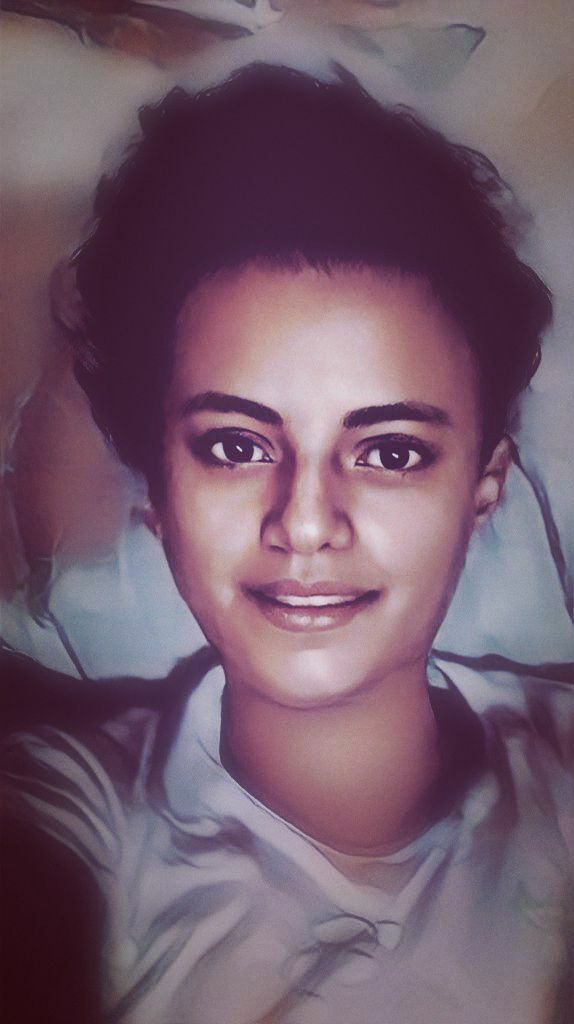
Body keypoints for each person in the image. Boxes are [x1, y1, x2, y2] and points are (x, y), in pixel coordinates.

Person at [1, 63, 572, 1024]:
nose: (305, 523)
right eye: (235, 447)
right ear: (158, 490)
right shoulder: (68, 815)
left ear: (485, 485)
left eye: (391, 452)